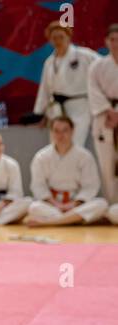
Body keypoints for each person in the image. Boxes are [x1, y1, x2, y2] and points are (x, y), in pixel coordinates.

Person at [25, 116, 111, 226]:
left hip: (76, 203)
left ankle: (51, 222)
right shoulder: (41, 157)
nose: (61, 135)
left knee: (101, 204)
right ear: (51, 132)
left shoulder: (84, 156)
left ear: (72, 131)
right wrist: (55, 204)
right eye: (56, 131)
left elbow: (91, 186)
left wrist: (74, 204)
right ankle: (74, 219)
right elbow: (38, 186)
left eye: (65, 130)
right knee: (34, 207)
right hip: (52, 205)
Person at [34, 21, 98, 149]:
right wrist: (41, 113)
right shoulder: (50, 62)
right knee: (56, 146)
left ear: (69, 37)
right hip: (56, 110)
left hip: (80, 107)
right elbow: (45, 89)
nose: (58, 41)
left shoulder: (84, 55)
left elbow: (105, 68)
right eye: (54, 38)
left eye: (61, 37)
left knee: (75, 145)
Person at [88, 24, 118, 206]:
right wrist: (109, 111)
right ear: (106, 42)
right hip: (104, 119)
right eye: (112, 40)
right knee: (106, 165)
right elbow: (93, 90)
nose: (116, 44)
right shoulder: (97, 66)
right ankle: (112, 205)